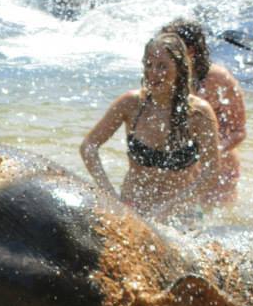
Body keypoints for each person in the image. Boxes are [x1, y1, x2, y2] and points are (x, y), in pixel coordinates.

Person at [79, 32, 221, 224]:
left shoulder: (199, 113)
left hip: (180, 213)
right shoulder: (131, 104)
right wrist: (109, 194)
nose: (153, 73)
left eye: (162, 66)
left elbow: (211, 171)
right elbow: (88, 146)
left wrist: (168, 210)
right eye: (148, 65)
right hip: (133, 207)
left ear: (180, 69)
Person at [162, 18, 247, 204]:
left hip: (217, 168)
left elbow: (238, 131)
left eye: (170, 48)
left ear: (191, 51)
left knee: (213, 218)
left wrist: (208, 156)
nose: (162, 52)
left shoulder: (218, 78)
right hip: (175, 167)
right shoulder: (159, 76)